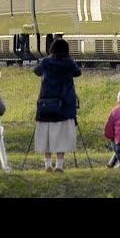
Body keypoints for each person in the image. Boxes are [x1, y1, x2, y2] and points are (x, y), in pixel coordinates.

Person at [33, 38, 81, 172]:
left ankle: (48, 164)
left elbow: (37, 71)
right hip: (65, 104)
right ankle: (59, 165)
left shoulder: (46, 61)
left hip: (46, 104)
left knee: (46, 134)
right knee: (62, 136)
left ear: (52, 49)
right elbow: (78, 73)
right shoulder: (68, 62)